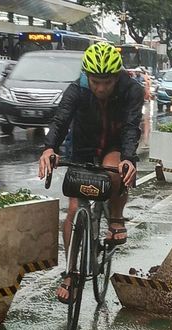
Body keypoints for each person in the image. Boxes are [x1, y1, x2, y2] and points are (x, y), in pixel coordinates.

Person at [38, 42, 144, 304]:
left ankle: (116, 219)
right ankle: (70, 273)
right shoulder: (77, 89)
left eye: (106, 82)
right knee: (74, 210)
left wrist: (129, 159)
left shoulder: (132, 90)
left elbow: (132, 126)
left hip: (115, 144)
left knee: (116, 170)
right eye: (95, 81)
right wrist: (49, 148)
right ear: (87, 76)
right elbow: (61, 120)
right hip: (82, 147)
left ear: (117, 76)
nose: (100, 88)